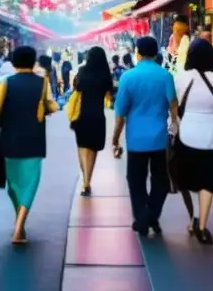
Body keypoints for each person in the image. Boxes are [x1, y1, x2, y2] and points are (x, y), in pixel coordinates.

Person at [0, 45, 59, 244]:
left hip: (10, 139)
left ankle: (18, 226)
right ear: (33, 62)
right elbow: (52, 105)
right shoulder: (42, 83)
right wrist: (47, 108)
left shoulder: (5, 83)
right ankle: (20, 225)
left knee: (14, 185)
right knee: (30, 183)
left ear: (14, 62)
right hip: (35, 139)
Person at [112, 35, 178, 238]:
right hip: (159, 138)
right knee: (160, 180)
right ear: (156, 53)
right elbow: (173, 103)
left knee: (135, 180)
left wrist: (115, 139)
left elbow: (121, 113)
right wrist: (173, 123)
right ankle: (152, 215)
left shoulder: (128, 77)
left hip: (136, 140)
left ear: (137, 53)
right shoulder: (165, 75)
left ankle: (142, 217)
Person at [173, 38, 213, 244]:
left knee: (187, 180)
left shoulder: (182, 78)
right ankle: (203, 225)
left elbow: (175, 105)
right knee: (208, 181)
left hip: (187, 135)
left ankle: (193, 217)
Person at [71, 47, 114, 196]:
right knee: (93, 149)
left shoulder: (82, 71)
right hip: (97, 115)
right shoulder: (105, 75)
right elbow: (109, 98)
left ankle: (85, 181)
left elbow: (76, 88)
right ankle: (87, 181)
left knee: (82, 147)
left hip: (81, 114)